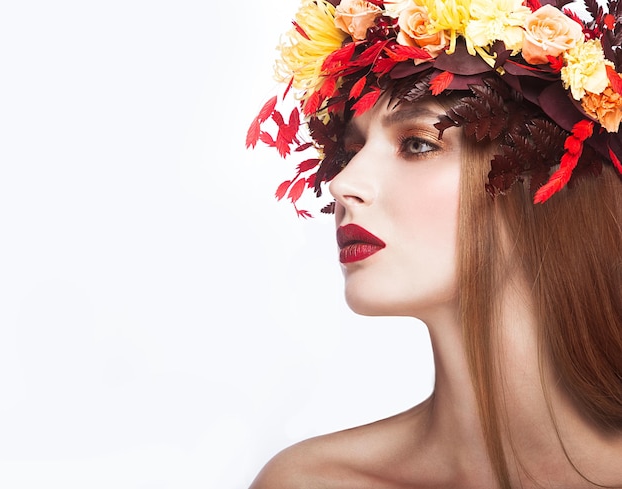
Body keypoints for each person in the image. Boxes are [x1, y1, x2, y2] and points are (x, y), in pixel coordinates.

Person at [246, 0, 622, 487]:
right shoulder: (311, 481)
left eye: (418, 143)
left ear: (541, 178)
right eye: (351, 151)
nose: (342, 184)